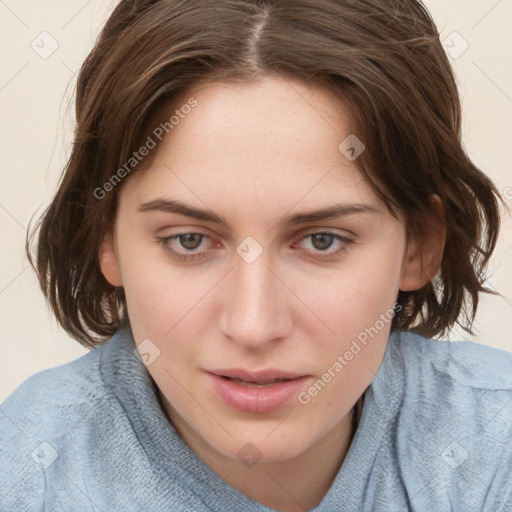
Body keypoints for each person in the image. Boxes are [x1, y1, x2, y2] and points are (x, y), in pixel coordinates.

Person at [1, 0, 511, 510]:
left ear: (419, 245)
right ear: (105, 239)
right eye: (189, 240)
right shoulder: (27, 475)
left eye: (322, 240)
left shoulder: (495, 443)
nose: (253, 326)